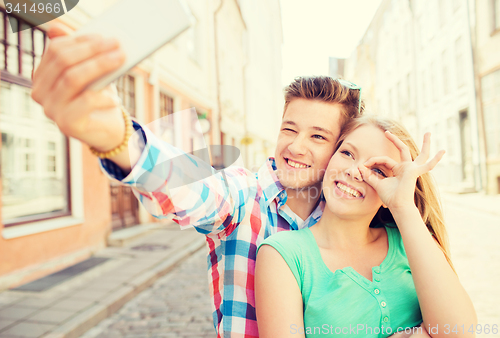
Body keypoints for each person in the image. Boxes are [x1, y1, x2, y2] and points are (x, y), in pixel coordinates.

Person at [30, 24, 364, 337]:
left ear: (339, 148)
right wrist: (118, 139)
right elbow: (196, 187)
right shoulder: (243, 195)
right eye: (289, 129)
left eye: (318, 136)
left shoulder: (349, 215)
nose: (295, 145)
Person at [255, 116, 477, 338]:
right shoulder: (282, 255)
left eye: (378, 170)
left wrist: (402, 206)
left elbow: (460, 334)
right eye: (347, 153)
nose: (354, 171)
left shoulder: (411, 241)